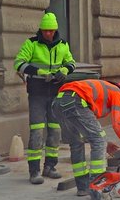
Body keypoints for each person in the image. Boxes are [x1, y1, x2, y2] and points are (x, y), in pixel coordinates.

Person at [14, 12, 76, 184]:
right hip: (37, 93)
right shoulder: (31, 43)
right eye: (45, 30)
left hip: (56, 93)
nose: (48, 33)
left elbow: (71, 63)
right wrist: (39, 72)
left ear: (55, 30)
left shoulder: (63, 45)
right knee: (37, 131)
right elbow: (18, 63)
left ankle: (50, 167)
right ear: (41, 30)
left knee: (55, 131)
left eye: (51, 30)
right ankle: (34, 171)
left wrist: (64, 71)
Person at [51, 78, 120, 196]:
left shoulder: (103, 88)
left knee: (76, 143)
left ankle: (83, 188)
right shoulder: (118, 93)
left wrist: (105, 141)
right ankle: (97, 185)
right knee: (98, 141)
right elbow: (118, 124)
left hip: (58, 103)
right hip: (76, 101)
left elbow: (89, 128)